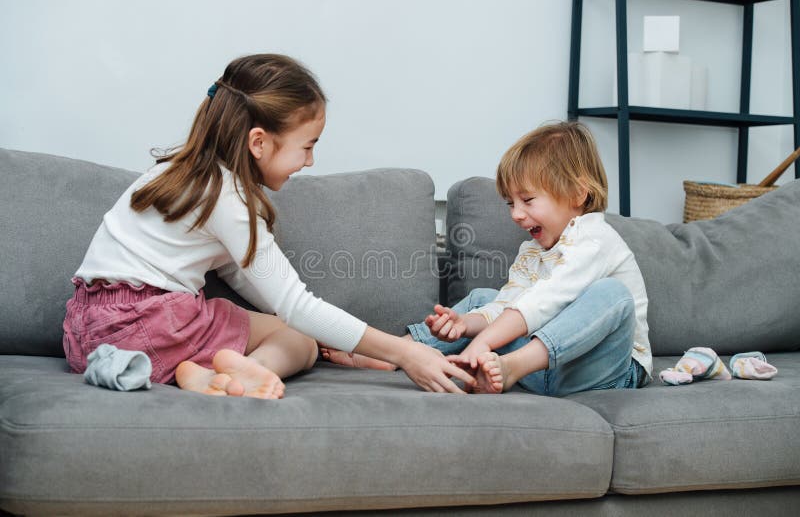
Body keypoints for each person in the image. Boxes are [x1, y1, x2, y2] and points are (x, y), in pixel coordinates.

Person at [62, 54, 475, 399]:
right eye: (308, 146)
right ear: (258, 142)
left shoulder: (172, 172)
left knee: (271, 322)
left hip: (85, 330)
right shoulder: (229, 199)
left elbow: (246, 279)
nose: (310, 161)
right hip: (150, 325)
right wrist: (404, 354)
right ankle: (246, 373)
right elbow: (295, 305)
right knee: (298, 340)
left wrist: (358, 347)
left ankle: (199, 373)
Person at [406, 121, 653, 395]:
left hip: (606, 371)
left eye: (528, 200)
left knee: (613, 294)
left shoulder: (595, 239)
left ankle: (511, 366)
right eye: (511, 203)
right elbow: (508, 305)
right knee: (483, 300)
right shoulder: (533, 252)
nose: (516, 214)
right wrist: (466, 326)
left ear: (578, 194)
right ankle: (402, 351)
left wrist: (483, 341)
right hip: (545, 370)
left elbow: (543, 302)